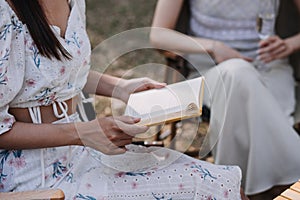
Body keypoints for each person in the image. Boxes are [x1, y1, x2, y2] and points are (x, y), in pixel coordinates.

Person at [0, 0, 247, 199]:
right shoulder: (4, 12)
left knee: (226, 185)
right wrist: (83, 133)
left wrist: (121, 87)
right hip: (35, 178)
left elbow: (61, 74)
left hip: (81, 151)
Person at [150, 0, 300, 197]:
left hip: (269, 68)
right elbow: (157, 35)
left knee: (240, 81)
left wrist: (290, 44)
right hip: (209, 69)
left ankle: (232, 188)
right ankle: (289, 181)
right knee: (236, 72)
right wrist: (213, 46)